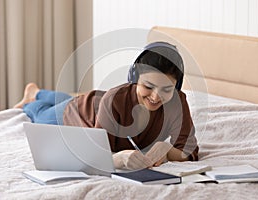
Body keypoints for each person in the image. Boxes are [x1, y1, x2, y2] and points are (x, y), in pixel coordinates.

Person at [14, 42, 198, 170]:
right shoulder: (115, 100)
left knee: (64, 99)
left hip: (98, 102)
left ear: (177, 86)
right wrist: (118, 159)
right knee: (41, 114)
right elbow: (97, 155)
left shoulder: (178, 101)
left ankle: (37, 91)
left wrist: (168, 150)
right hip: (80, 111)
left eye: (166, 89)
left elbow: (189, 150)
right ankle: (33, 97)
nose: (156, 96)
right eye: (148, 87)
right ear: (134, 79)